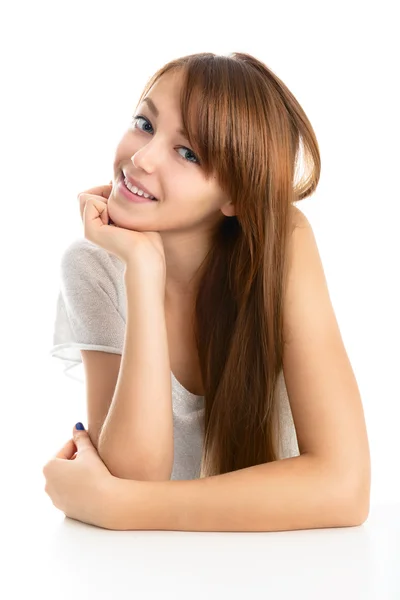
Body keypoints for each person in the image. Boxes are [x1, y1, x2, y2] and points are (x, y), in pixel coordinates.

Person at [43, 51, 370, 532]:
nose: (142, 157)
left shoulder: (283, 244)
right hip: (151, 572)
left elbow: (345, 488)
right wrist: (143, 269)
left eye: (188, 153)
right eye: (145, 123)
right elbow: (131, 473)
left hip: (283, 564)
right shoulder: (95, 264)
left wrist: (119, 508)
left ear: (236, 195)